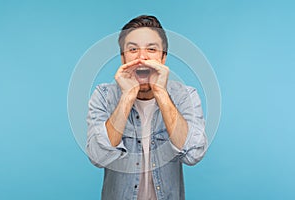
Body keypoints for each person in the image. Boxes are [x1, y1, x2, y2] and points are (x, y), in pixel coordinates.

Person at [86, 15, 207, 200]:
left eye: (151, 49)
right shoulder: (104, 96)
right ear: (123, 58)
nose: (142, 57)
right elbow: (98, 156)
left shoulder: (185, 96)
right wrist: (127, 97)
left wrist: (161, 93)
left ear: (163, 57)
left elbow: (193, 154)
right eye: (133, 49)